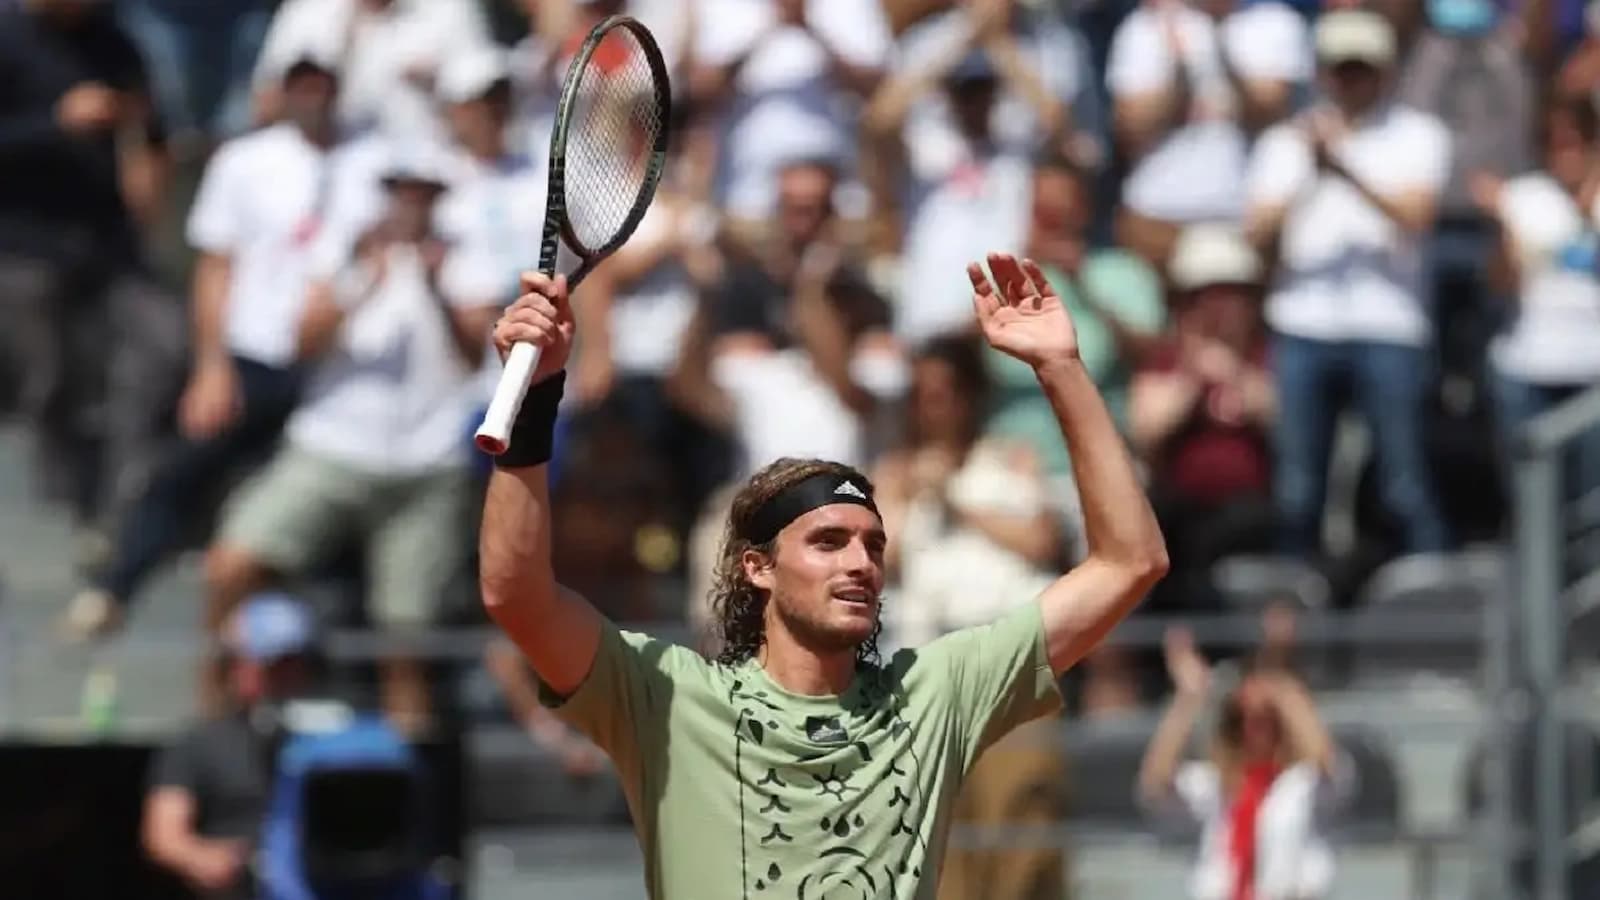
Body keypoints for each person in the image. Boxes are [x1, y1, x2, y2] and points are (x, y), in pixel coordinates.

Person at [479, 251, 1169, 898]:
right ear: (758, 568)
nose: (861, 563)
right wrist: (536, 401)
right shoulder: (666, 695)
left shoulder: (933, 693)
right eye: (829, 542)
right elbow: (515, 594)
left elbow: (1131, 563)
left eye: (873, 545)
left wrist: (1061, 368)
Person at [63, 36, 345, 641]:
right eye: (299, 83)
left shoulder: (372, 162)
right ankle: (116, 587)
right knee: (182, 472)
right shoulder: (245, 160)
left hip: (339, 373)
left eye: (321, 82)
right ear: (276, 91)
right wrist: (211, 366)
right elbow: (215, 267)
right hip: (253, 354)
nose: (311, 95)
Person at [1137, 627, 1353, 900]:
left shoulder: (1305, 783)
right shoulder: (1214, 786)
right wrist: (1189, 698)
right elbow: (1156, 783)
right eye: (1241, 719)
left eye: (1265, 719)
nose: (1253, 730)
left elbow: (1325, 761)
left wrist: (1281, 687)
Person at [143, 593, 322, 900]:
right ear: (237, 665)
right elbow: (164, 834)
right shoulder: (198, 742)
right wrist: (203, 857)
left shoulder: (334, 737)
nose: (284, 676)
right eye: (271, 665)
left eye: (294, 663)